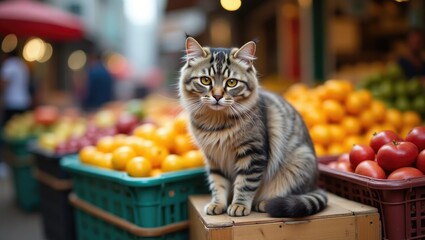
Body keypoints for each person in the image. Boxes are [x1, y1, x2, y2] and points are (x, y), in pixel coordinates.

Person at [0, 49, 32, 127]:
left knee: (9, 130)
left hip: (12, 102)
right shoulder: (22, 64)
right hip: (24, 101)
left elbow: (3, 84)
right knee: (21, 128)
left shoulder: (9, 65)